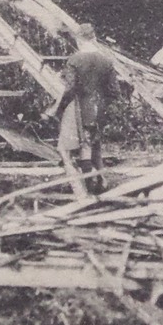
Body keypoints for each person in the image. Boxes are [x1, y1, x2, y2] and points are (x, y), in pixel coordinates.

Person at [49, 23, 118, 196]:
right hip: (99, 107)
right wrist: (103, 106)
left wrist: (60, 108)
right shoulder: (107, 61)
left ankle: (89, 186)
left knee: (81, 146)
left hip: (81, 107)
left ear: (79, 40)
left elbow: (71, 88)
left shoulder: (74, 60)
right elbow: (114, 91)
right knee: (94, 143)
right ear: (94, 39)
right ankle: (101, 180)